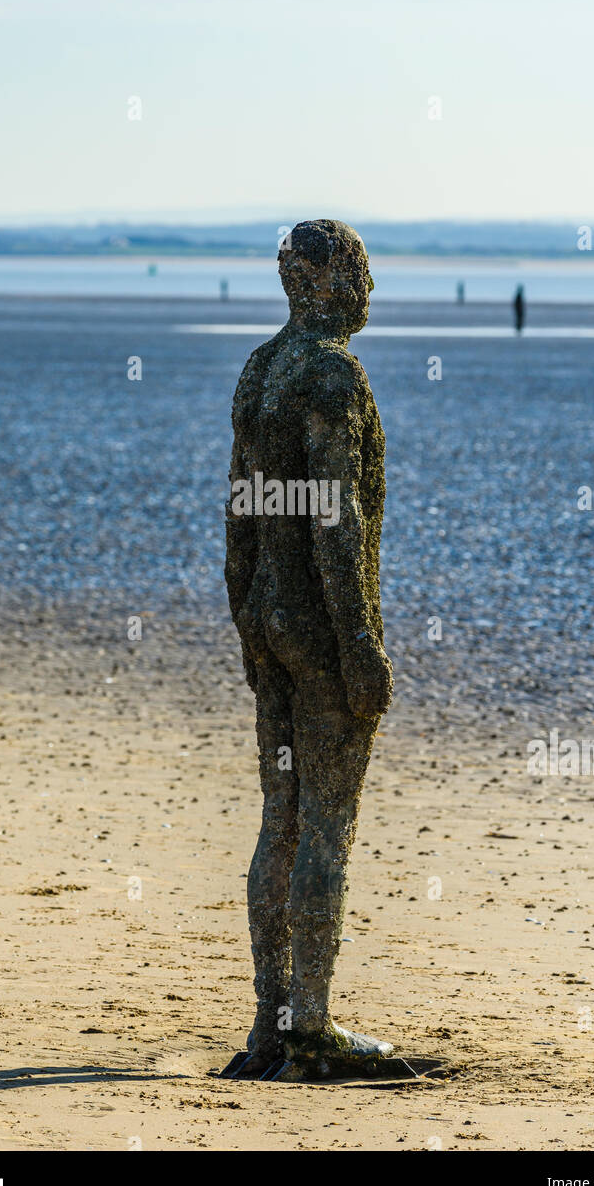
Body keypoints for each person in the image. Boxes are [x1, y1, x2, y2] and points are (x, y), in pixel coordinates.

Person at [224, 219, 394, 1078]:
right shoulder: (331, 373)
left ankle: (266, 1021)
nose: (367, 290)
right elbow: (336, 515)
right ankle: (309, 1025)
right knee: (323, 823)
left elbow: (242, 511)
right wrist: (360, 640)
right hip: (320, 635)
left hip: (269, 621)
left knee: (279, 821)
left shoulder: (261, 367)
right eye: (359, 272)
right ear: (325, 282)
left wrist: (245, 618)